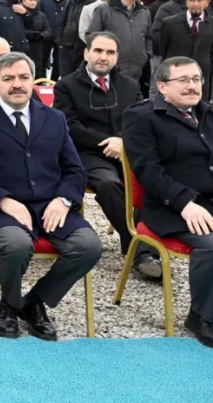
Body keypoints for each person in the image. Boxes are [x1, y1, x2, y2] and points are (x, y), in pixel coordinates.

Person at [0, 52, 102, 341]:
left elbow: (75, 170)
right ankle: (8, 303)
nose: (17, 84)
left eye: (23, 77)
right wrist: (2, 200)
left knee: (89, 246)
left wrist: (64, 200)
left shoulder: (54, 118)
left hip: (50, 206)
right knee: (17, 245)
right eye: (8, 79)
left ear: (33, 81)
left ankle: (33, 302)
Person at [53, 31, 159, 280]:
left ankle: (146, 244)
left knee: (152, 179)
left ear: (116, 57)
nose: (104, 57)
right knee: (109, 184)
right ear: (86, 53)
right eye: (98, 51)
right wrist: (106, 142)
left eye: (110, 52)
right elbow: (68, 125)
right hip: (87, 153)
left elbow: (140, 120)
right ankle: (138, 249)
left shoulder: (130, 85)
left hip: (126, 150)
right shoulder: (66, 85)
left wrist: (121, 139)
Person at [123, 56, 213, 346]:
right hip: (170, 207)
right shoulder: (142, 116)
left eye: (196, 79)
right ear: (162, 86)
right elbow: (148, 171)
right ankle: (202, 316)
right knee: (211, 243)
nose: (192, 86)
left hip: (209, 202)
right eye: (183, 80)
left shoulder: (209, 114)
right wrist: (185, 204)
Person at [87, 0, 151, 82]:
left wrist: (146, 55)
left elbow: (148, 37)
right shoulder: (104, 10)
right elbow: (92, 36)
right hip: (110, 70)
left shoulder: (144, 12)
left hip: (136, 70)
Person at [159, 0, 213, 99]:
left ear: (207, 2)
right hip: (175, 79)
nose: (195, 4)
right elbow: (164, 51)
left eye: (200, 0)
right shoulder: (169, 23)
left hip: (202, 80)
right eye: (192, 0)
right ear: (186, 1)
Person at [57, 0, 96, 76]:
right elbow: (63, 22)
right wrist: (60, 42)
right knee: (65, 79)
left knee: (79, 80)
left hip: (81, 50)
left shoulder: (93, 2)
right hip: (65, 48)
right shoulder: (70, 1)